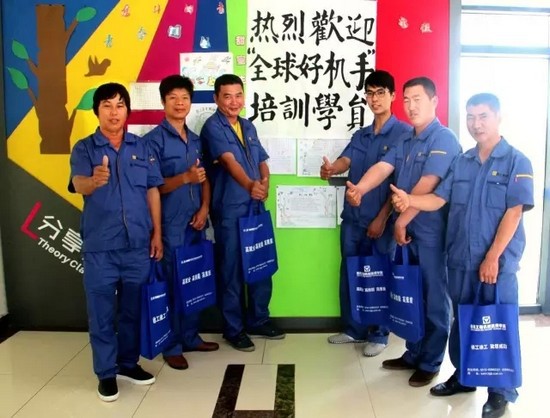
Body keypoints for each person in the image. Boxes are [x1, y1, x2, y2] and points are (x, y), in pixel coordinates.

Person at [390, 93, 533, 418]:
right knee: (462, 322)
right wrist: (409, 201)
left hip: (497, 264)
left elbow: (514, 213)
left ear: (498, 117)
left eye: (483, 116)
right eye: (470, 117)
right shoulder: (463, 161)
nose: (475, 124)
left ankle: (500, 393)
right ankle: (464, 376)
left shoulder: (516, 161)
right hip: (459, 259)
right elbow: (439, 199)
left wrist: (493, 256)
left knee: (496, 326)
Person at [346, 77, 461, 387]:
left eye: (417, 99)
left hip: (430, 234)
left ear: (434, 101)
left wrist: (400, 221)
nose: (411, 106)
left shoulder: (444, 139)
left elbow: (428, 184)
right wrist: (360, 188)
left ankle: (430, 361)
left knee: (434, 300)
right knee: (411, 294)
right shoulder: (407, 139)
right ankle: (413, 353)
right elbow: (383, 167)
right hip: (408, 234)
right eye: (407, 100)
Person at [69, 83, 163, 402]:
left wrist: (157, 233)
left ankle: (127, 363)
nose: (114, 112)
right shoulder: (85, 148)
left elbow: (152, 190)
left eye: (120, 105)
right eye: (107, 105)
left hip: (137, 245)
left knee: (132, 311)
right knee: (102, 313)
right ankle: (106, 373)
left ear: (127, 111)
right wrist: (93, 181)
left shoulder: (141, 147)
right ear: (97, 111)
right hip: (101, 248)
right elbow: (78, 183)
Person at [321, 70, 411, 357]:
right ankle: (353, 329)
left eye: (380, 93)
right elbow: (346, 159)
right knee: (350, 272)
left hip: (380, 221)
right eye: (370, 93)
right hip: (353, 218)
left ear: (392, 96)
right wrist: (331, 168)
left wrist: (382, 218)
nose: (375, 99)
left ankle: (379, 334)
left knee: (379, 274)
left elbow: (399, 183)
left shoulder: (404, 134)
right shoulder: (361, 134)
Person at [200, 73, 285, 352]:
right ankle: (234, 329)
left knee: (260, 264)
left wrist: (265, 182)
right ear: (216, 99)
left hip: (255, 207)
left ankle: (259, 319)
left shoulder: (248, 125)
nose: (234, 101)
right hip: (230, 210)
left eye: (238, 95)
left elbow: (261, 159)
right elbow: (228, 161)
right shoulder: (212, 127)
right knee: (232, 270)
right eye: (227, 96)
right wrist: (250, 185)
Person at [144, 75, 219, 371]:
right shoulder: (152, 141)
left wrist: (204, 208)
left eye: (185, 98)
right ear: (163, 102)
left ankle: (190, 336)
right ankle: (172, 345)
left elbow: (205, 179)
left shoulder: (197, 141)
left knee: (194, 281)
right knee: (173, 285)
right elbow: (154, 187)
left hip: (196, 223)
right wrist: (184, 178)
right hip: (170, 226)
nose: (179, 103)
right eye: (173, 98)